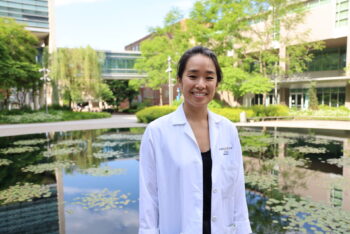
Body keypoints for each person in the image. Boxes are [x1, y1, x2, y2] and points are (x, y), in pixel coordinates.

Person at [139, 46, 252, 234]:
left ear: (217, 83)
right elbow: (149, 197)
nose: (201, 84)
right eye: (192, 76)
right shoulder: (157, 132)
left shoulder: (227, 129)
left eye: (209, 77)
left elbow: (237, 192)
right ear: (180, 81)